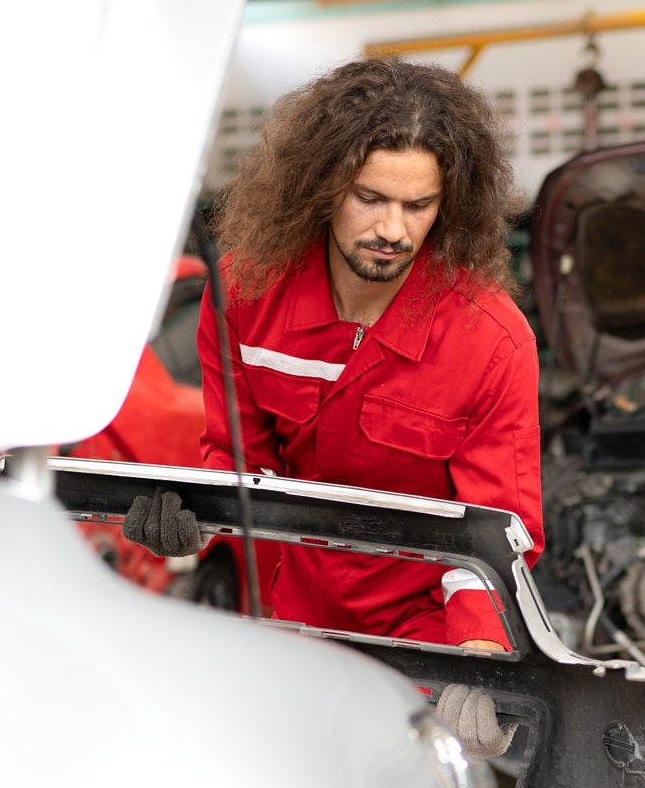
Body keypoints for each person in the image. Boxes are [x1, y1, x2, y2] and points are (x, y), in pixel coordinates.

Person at [125, 56, 542, 653]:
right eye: (370, 198)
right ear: (323, 187)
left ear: (447, 206)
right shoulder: (245, 297)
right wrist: (192, 523)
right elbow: (239, 460)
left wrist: (483, 659)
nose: (393, 230)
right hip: (295, 614)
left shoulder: (491, 342)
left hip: (428, 631)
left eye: (417, 206)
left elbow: (501, 531)